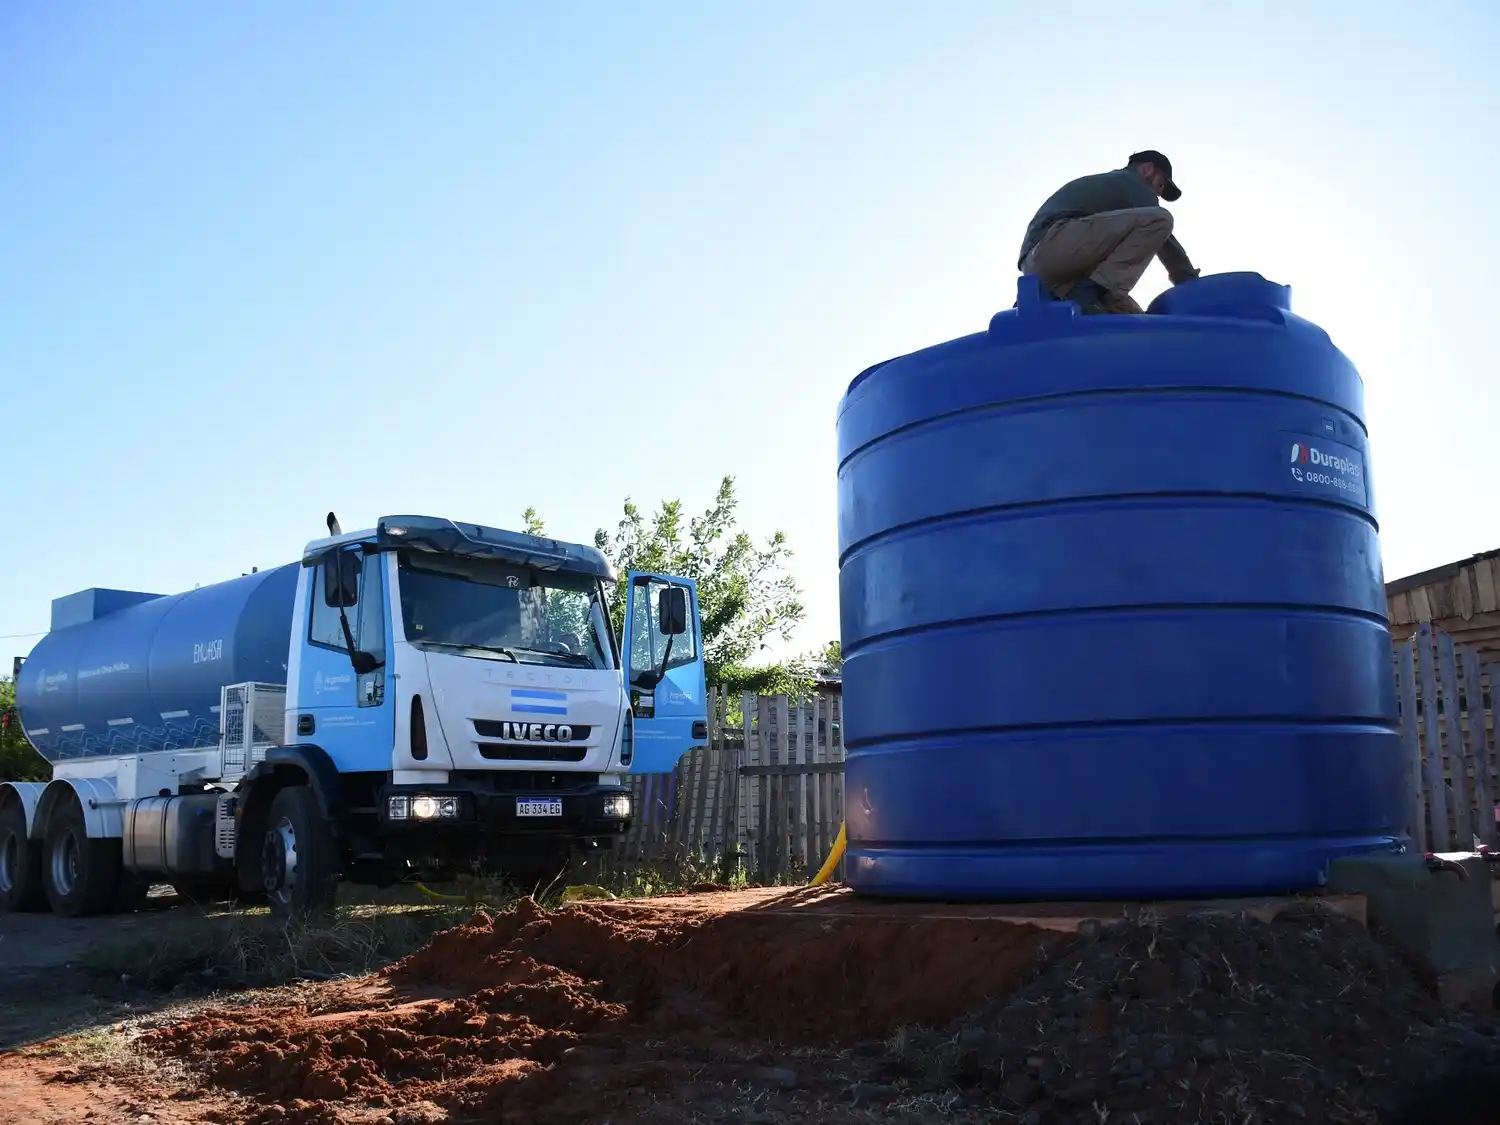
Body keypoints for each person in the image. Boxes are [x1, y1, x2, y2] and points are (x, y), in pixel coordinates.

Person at [1017, 150, 1201, 315]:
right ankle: (1096, 291)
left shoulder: (1113, 189)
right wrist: (1191, 283)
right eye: (1160, 185)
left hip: (1043, 268)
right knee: (1160, 219)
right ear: (1147, 169)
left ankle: (1092, 294)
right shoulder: (1132, 183)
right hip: (1054, 244)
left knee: (1135, 318)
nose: (1158, 194)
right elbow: (1168, 244)